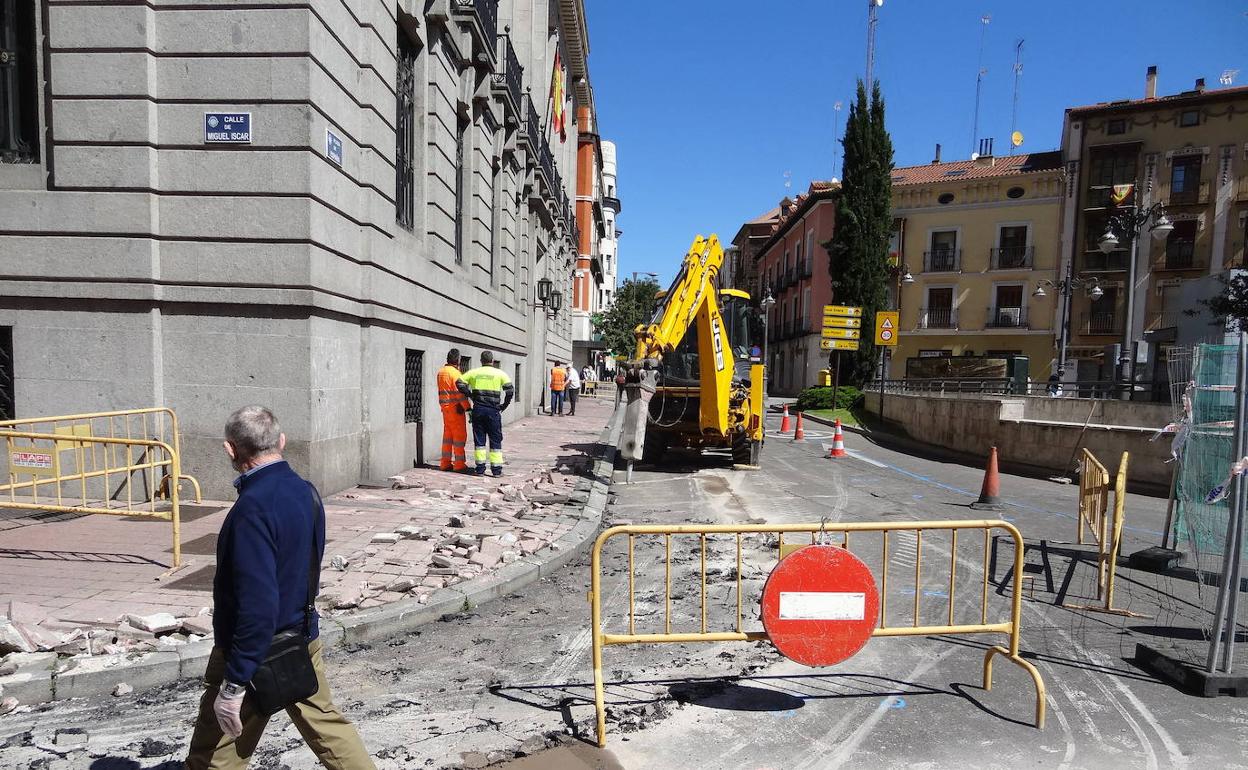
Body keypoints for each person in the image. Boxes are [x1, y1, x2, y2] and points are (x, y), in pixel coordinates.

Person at [185, 406, 374, 770]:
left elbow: (257, 605)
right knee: (329, 729)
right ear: (281, 442)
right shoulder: (304, 491)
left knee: (213, 757)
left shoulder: (251, 511)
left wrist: (234, 685)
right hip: (303, 637)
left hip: (254, 651)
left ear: (230, 449)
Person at [457, 351, 514, 476]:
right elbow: (510, 391)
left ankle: (480, 469)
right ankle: (496, 470)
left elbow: (459, 383)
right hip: (493, 411)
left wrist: (470, 395)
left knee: (479, 440)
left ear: (481, 361)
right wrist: (504, 405)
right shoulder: (500, 373)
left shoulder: (474, 372)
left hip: (478, 410)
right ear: (492, 361)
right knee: (495, 440)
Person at [436, 348, 471, 472]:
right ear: (458, 360)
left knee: (447, 438)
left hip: (445, 409)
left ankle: (445, 463)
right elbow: (460, 394)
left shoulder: (441, 372)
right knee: (459, 438)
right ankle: (459, 464)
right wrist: (467, 408)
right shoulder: (455, 374)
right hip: (456, 410)